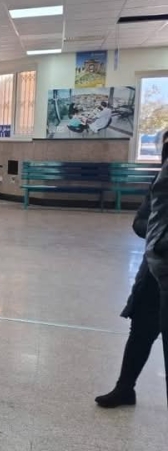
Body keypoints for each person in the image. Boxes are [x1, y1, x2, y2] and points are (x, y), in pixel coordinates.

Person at [96, 132, 168, 408]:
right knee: (141, 329)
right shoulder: (161, 180)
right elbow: (140, 221)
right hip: (154, 269)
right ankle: (125, 388)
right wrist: (158, 235)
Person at [143, 133, 168, 409]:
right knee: (141, 321)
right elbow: (150, 210)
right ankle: (125, 387)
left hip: (161, 256)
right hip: (154, 259)